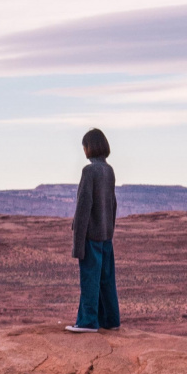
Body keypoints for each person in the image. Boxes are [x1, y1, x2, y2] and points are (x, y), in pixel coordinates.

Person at [66, 129, 120, 333]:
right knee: (106, 279)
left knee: (89, 278)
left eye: (84, 146)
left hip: (91, 235)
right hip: (106, 235)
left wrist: (77, 245)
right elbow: (113, 204)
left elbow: (83, 208)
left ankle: (88, 322)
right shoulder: (109, 170)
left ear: (90, 147)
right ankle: (111, 319)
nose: (84, 150)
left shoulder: (89, 171)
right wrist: (110, 229)